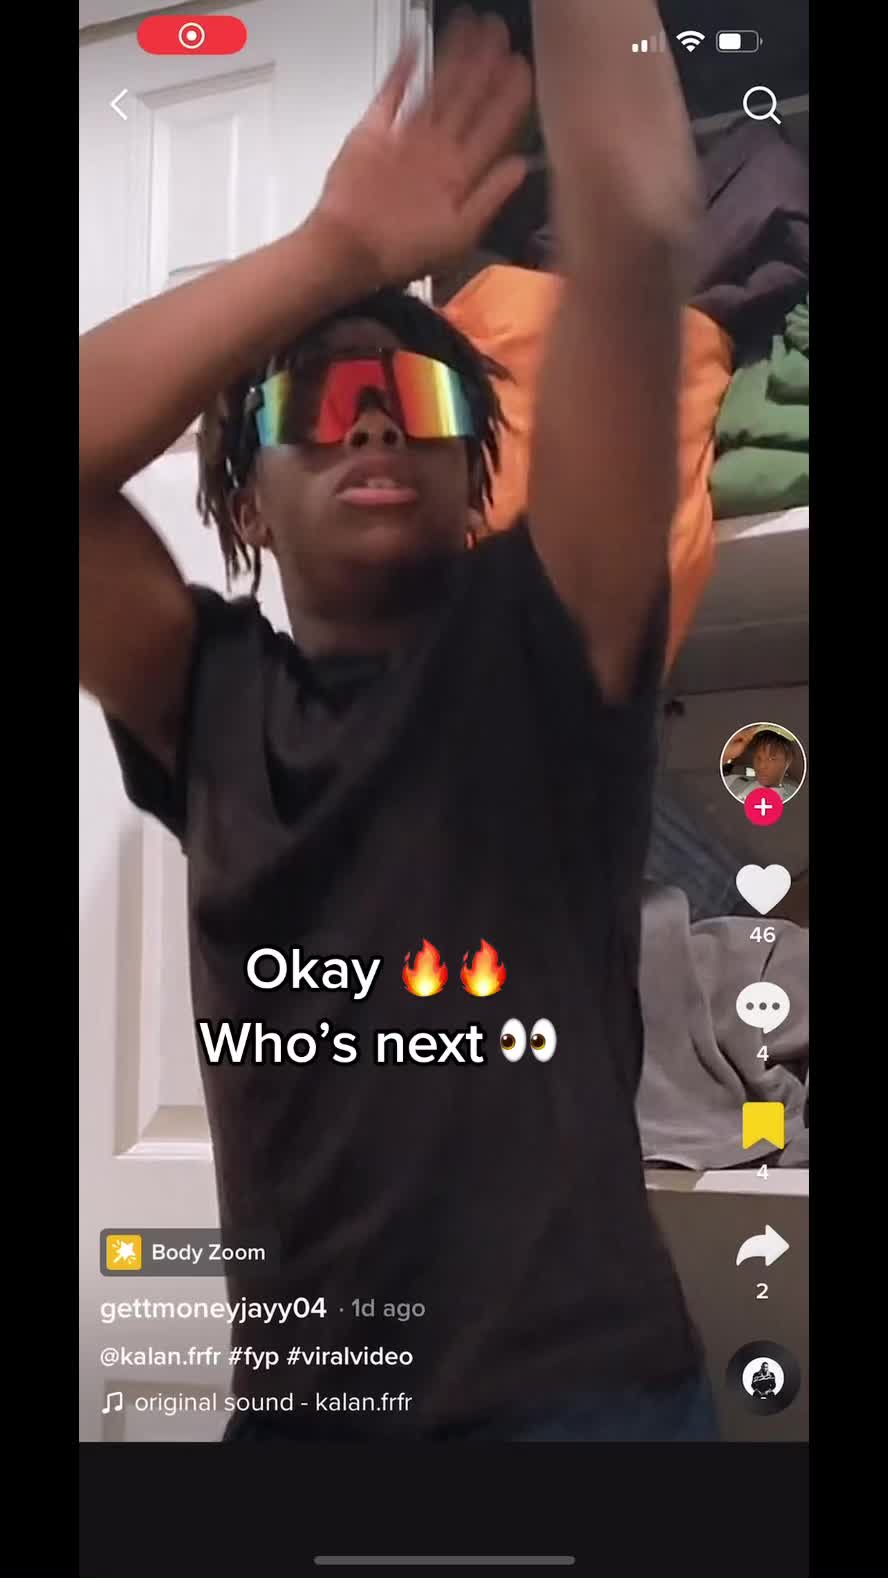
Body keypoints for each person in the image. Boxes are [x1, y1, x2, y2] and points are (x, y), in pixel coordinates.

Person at [80, 2, 715, 1441]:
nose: (371, 423)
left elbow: (635, 227)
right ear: (244, 498)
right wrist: (333, 253)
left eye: (412, 395)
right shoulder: (210, 702)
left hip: (583, 1407)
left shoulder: (555, 634)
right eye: (319, 402)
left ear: (473, 463)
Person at [723, 726, 799, 804]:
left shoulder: (796, 797)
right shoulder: (733, 780)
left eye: (772, 759)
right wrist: (727, 754)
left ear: (788, 761)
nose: (762, 766)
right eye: (758, 758)